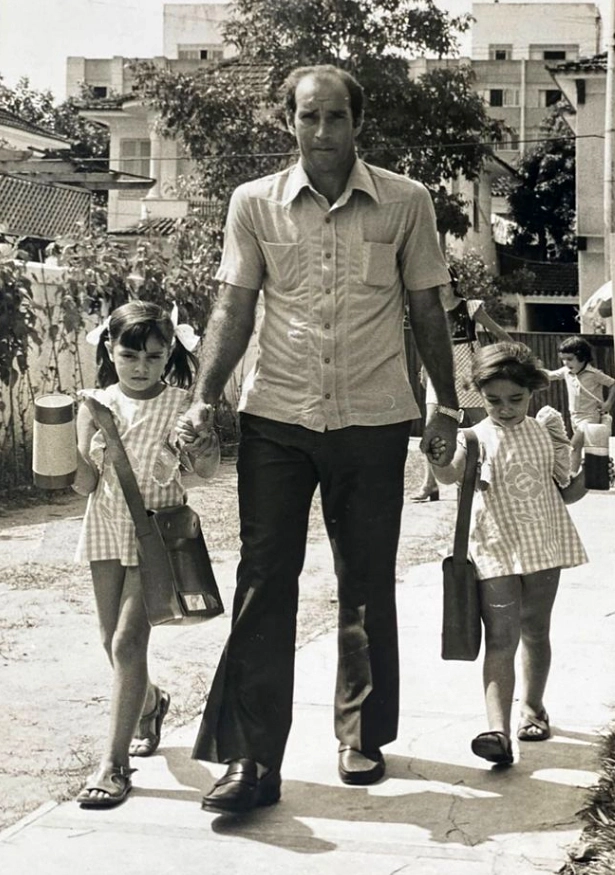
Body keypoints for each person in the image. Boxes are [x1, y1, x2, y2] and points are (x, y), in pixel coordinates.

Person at [177, 63, 459, 814]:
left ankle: (360, 734)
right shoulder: (254, 205)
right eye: (309, 118)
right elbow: (234, 307)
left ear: (356, 122)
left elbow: (428, 310)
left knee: (365, 583)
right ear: (290, 122)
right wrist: (206, 396)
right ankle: (249, 758)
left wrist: (446, 404)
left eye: (336, 118)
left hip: (373, 418)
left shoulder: (407, 202)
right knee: (265, 583)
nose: (323, 132)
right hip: (277, 417)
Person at [73, 301, 220, 808]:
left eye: (154, 356)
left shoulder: (182, 403)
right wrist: (72, 454)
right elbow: (83, 484)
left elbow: (207, 471)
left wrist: (202, 445)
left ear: (168, 355)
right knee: (110, 642)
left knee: (127, 641)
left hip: (157, 534)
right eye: (130, 355)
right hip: (106, 528)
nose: (141, 366)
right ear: (109, 350)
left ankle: (113, 765)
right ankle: (152, 702)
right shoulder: (92, 404)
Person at [431, 342, 588, 766]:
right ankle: (497, 732)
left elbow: (568, 492)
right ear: (480, 395)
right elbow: (448, 477)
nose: (504, 408)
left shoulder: (545, 430)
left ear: (533, 392)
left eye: (515, 399)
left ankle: (533, 711)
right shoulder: (473, 438)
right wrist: (436, 456)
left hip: (543, 545)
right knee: (501, 638)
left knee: (535, 630)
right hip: (495, 549)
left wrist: (590, 472)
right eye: (494, 400)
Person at [412, 268, 513, 502]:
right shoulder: (430, 310)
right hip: (439, 372)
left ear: (452, 283)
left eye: (443, 283)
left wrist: (516, 356)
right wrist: (423, 367)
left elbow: (498, 332)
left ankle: (497, 475)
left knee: (484, 422)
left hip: (469, 373)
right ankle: (430, 484)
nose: (439, 288)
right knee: (431, 426)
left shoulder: (470, 307)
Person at [545, 336, 615, 484]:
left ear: (582, 357)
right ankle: (610, 472)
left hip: (591, 416)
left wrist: (608, 403)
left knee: (574, 445)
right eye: (563, 359)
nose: (566, 363)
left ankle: (571, 478)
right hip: (575, 417)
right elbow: (549, 375)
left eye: (570, 359)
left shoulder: (594, 374)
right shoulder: (566, 371)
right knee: (586, 448)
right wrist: (533, 368)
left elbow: (613, 384)